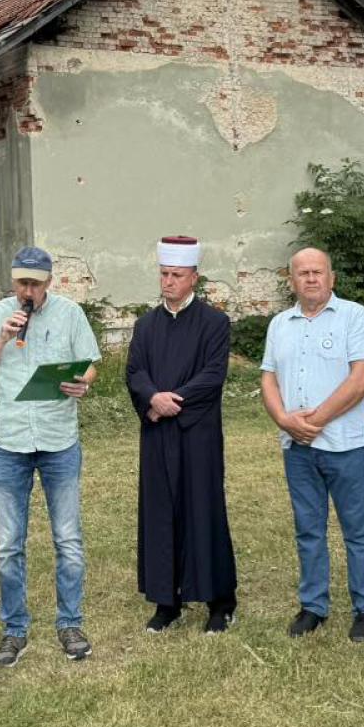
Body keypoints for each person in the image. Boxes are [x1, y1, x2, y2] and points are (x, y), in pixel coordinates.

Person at [0, 245, 101, 665]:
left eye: (35, 284)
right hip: (10, 443)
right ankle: (14, 628)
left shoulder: (70, 315)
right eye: (22, 282)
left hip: (59, 441)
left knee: (68, 540)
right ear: (13, 281)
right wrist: (3, 340)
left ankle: (70, 623)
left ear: (49, 283)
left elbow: (90, 364)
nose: (28, 291)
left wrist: (83, 383)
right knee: (8, 545)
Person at [259, 247, 364, 641]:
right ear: (291, 281)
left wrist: (316, 420)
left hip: (345, 446)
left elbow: (363, 377)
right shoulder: (280, 324)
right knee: (308, 528)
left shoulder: (354, 317)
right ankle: (314, 605)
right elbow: (268, 378)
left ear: (331, 278)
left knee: (357, 530)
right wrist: (283, 419)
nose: (311, 279)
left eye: (318, 272)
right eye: (302, 273)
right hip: (297, 449)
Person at [125, 235, 237, 634]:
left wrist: (177, 401)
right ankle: (165, 600)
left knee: (203, 510)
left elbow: (212, 374)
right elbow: (135, 371)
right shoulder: (145, 325)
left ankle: (219, 602)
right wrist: (153, 399)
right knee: (159, 513)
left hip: (197, 433)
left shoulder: (214, 323)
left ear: (194, 277)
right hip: (157, 433)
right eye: (163, 274)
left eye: (176, 274)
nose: (168, 281)